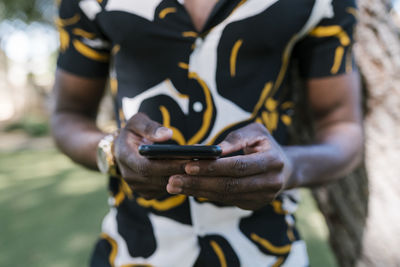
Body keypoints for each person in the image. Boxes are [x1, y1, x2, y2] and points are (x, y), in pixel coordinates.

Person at [52, 0, 362, 266]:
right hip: (130, 251)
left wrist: (290, 166)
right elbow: (69, 115)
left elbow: (342, 127)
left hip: (266, 253)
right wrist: (111, 151)